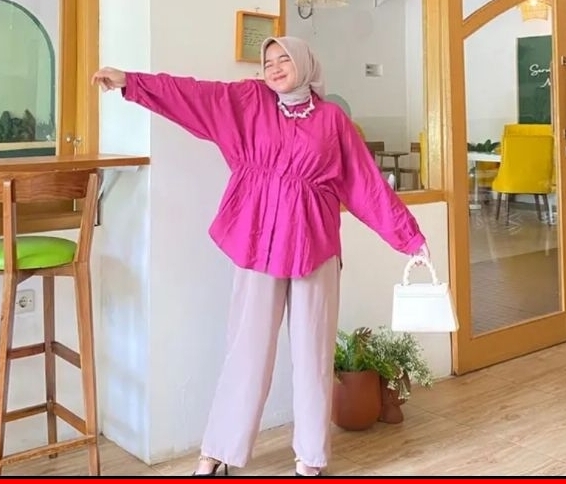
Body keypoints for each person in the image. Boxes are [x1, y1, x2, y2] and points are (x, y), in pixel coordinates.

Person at [91, 36, 429, 477]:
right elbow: (194, 94)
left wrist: (409, 238)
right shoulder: (249, 102)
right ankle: (219, 451)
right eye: (268, 61)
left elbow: (366, 185)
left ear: (305, 63)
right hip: (258, 241)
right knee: (246, 350)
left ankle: (311, 457)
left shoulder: (332, 120)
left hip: (315, 246)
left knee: (313, 354)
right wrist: (131, 82)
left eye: (284, 58)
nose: (274, 67)